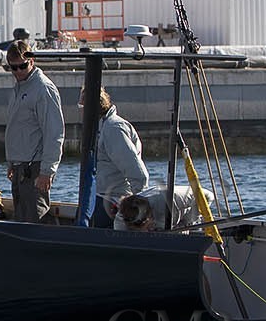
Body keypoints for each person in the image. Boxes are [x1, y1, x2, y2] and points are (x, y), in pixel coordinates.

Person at [3, 39, 64, 224]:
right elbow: (18, 128)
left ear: (32, 61)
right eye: (14, 68)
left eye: (22, 66)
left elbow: (54, 132)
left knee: (35, 219)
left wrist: (47, 171)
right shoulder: (19, 88)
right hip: (21, 167)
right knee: (22, 220)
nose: (19, 72)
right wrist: (12, 162)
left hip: (35, 168)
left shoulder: (43, 89)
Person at [87, 88, 147, 229]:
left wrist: (137, 210)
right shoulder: (101, 128)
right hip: (100, 197)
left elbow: (137, 173)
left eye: (82, 107)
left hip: (112, 201)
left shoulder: (113, 129)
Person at [116, 185, 210, 232]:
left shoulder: (169, 204)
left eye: (147, 227)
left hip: (185, 205)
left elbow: (208, 196)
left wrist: (186, 223)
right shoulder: (120, 217)